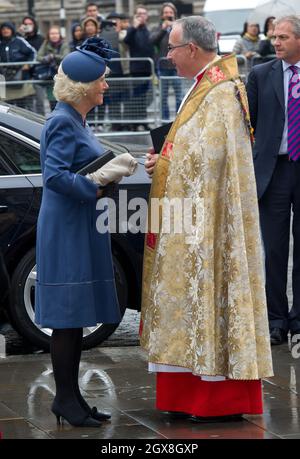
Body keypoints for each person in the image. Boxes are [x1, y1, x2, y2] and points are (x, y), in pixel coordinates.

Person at [141, 16, 273, 421]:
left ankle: (215, 400)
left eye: (172, 49)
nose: (168, 57)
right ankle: (184, 395)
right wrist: (163, 158)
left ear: (192, 50)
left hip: (209, 223)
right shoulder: (203, 88)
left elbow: (211, 161)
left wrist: (165, 160)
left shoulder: (219, 93)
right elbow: (188, 150)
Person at [35, 37, 122, 427]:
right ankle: (66, 400)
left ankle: (73, 399)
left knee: (75, 318)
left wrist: (106, 176)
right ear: (84, 87)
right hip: (66, 227)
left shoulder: (75, 118)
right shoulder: (61, 120)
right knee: (67, 317)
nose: (106, 85)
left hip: (79, 223)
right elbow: (54, 176)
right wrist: (97, 186)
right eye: (102, 80)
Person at [246, 15, 300, 349]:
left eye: (282, 37)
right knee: (274, 252)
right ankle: (276, 320)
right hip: (274, 171)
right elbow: (243, 123)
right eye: (273, 37)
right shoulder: (260, 74)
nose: (275, 42)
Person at [123, 4, 154, 131]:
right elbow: (126, 40)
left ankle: (143, 121)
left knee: (145, 97)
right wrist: (134, 26)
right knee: (136, 97)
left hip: (147, 68)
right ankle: (135, 123)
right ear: (135, 16)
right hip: (136, 68)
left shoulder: (148, 30)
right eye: (139, 14)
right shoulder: (132, 30)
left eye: (143, 14)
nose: (141, 16)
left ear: (147, 16)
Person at [150, 2, 182, 121]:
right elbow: (152, 41)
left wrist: (174, 27)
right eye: (166, 12)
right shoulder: (157, 28)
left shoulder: (179, 27)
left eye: (170, 12)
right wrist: (163, 29)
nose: (168, 14)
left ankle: (179, 121)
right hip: (163, 67)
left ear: (174, 14)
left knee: (179, 96)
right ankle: (165, 122)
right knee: (163, 98)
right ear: (162, 15)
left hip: (177, 67)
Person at [0, 21, 36, 109]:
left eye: (8, 28)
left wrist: (28, 64)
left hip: (20, 78)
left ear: (12, 30)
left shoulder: (19, 41)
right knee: (8, 108)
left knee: (23, 107)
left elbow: (33, 52)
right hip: (5, 79)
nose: (5, 31)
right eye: (3, 29)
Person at [37, 26, 69, 111]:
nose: (54, 35)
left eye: (56, 33)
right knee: (52, 102)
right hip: (50, 77)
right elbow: (38, 56)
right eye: (52, 33)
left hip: (63, 76)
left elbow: (65, 56)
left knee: (63, 101)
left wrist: (53, 56)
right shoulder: (46, 43)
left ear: (59, 35)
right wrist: (46, 59)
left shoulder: (64, 44)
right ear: (48, 35)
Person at [19, 16, 45, 115]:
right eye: (25, 24)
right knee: (27, 104)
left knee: (40, 102)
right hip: (25, 75)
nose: (28, 26)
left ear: (34, 25)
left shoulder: (41, 39)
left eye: (30, 24)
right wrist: (19, 33)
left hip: (38, 75)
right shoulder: (20, 39)